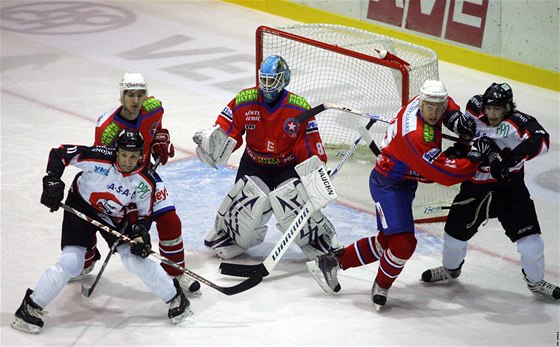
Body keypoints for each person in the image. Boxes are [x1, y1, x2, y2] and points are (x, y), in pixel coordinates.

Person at [307, 79, 494, 310]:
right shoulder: (415, 137)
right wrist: (473, 159)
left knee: (389, 241)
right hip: (388, 185)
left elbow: (444, 102)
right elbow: (445, 176)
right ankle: (382, 285)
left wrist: (453, 114)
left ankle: (331, 262)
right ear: (422, 104)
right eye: (430, 108)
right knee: (404, 243)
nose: (435, 114)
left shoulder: (420, 100)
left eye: (439, 108)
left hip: (403, 182)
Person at [11, 130, 191, 334]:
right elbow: (60, 153)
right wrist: (52, 180)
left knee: (133, 260)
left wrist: (140, 233)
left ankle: (175, 297)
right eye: (123, 154)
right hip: (80, 206)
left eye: (133, 156)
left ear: (140, 155)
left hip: (114, 216)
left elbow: (143, 215)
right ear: (117, 151)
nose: (127, 161)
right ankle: (30, 307)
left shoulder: (144, 181)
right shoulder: (99, 157)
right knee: (71, 262)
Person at [421, 82, 559, 300]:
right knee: (453, 238)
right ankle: (450, 270)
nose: (492, 114)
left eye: (498, 109)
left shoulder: (520, 122)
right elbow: (443, 106)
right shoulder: (475, 107)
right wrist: (458, 132)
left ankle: (536, 281)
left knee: (532, 245)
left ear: (508, 108)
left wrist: (508, 159)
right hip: (475, 187)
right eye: (489, 108)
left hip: (509, 189)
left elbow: (541, 140)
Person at [193, 55, 338, 260]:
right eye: (264, 79)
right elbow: (227, 131)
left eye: (272, 80)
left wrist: (315, 173)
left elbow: (308, 146)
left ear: (283, 79)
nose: (267, 86)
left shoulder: (298, 108)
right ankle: (231, 235)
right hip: (254, 164)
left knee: (294, 201)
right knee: (248, 200)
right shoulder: (245, 100)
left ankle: (315, 238)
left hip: (287, 167)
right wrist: (213, 142)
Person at [77, 73, 200, 296]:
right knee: (93, 218)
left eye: (140, 95)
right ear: (121, 96)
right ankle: (86, 257)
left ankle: (174, 273)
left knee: (170, 221)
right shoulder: (107, 128)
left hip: (143, 175)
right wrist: (128, 203)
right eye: (130, 95)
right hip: (116, 179)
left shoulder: (153, 107)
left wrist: (159, 141)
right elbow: (103, 163)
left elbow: (157, 127)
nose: (135, 101)